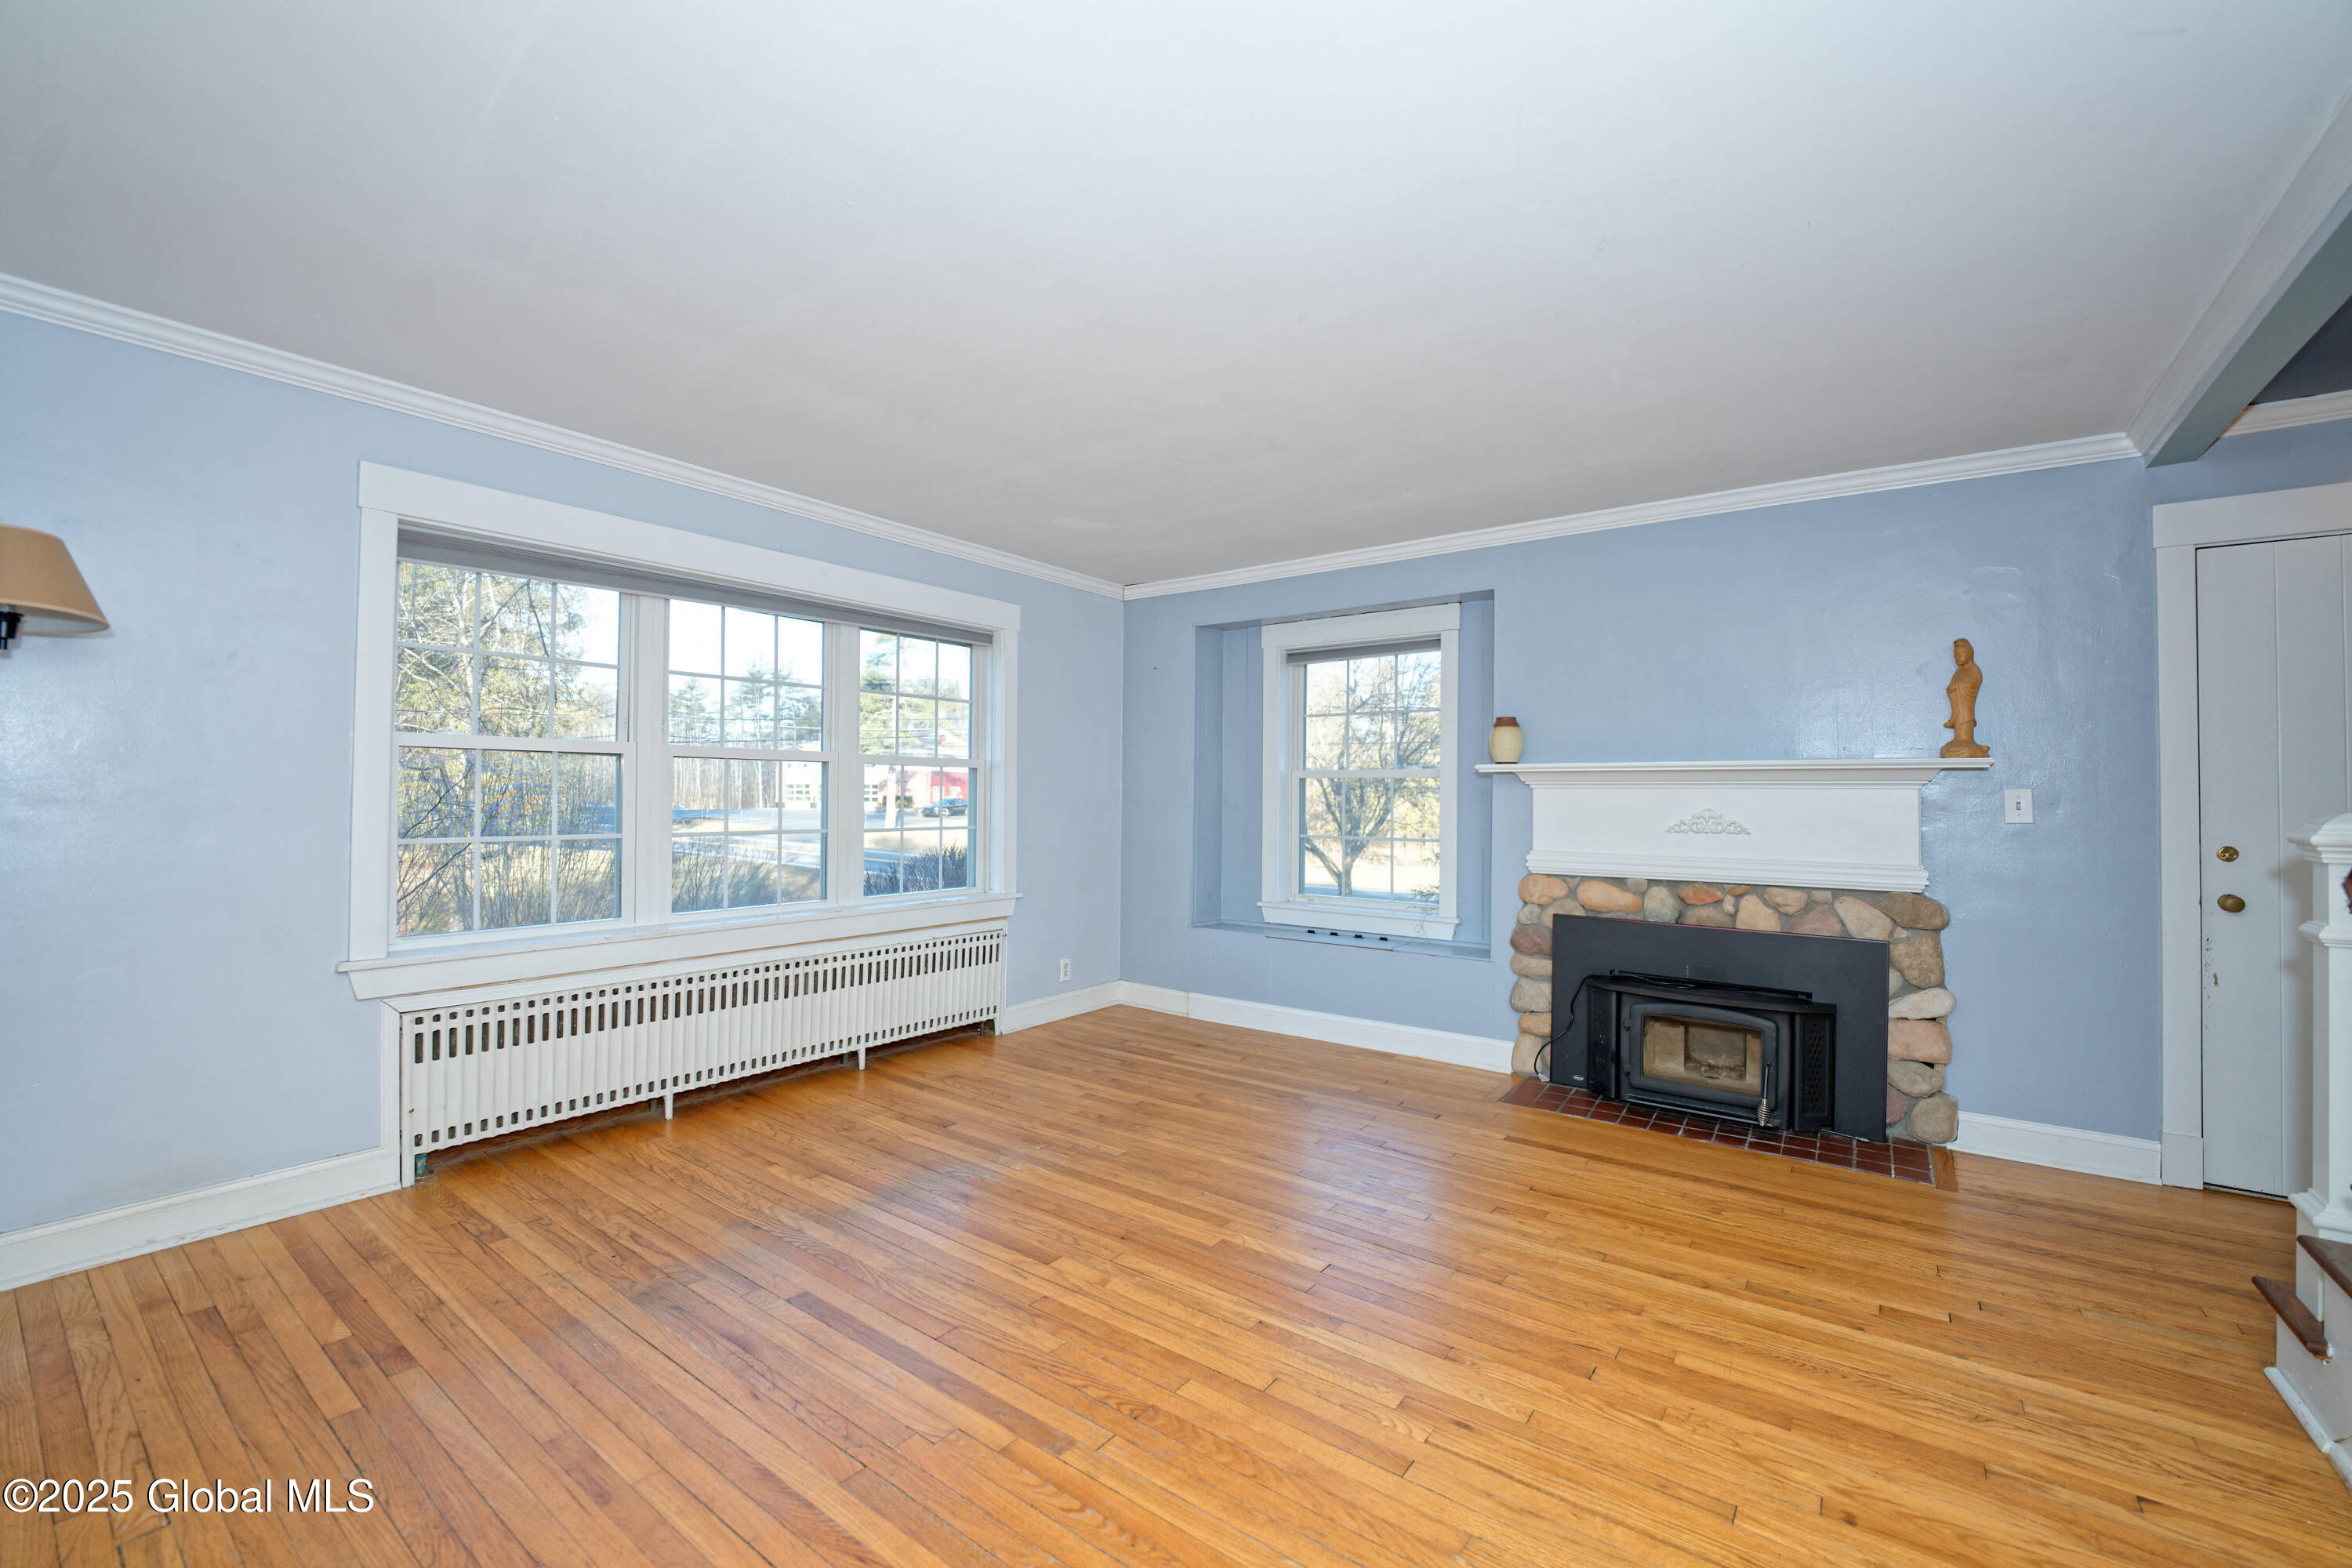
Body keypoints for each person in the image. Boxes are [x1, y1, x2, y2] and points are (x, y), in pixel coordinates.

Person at [1941, 638, 1988, 757]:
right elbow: (1951, 686)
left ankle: (1968, 743)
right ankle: (1959, 740)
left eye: (1960, 655)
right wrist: (1952, 688)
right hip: (1959, 707)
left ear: (1969, 654)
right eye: (1956, 656)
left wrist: (1957, 687)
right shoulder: (1957, 673)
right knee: (1946, 750)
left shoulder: (1974, 670)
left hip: (1966, 707)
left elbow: (1973, 684)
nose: (1958, 658)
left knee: (1964, 722)